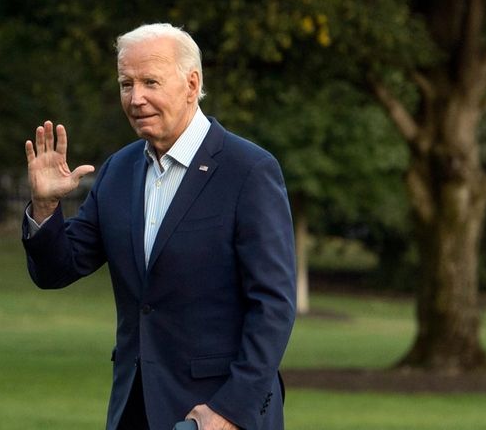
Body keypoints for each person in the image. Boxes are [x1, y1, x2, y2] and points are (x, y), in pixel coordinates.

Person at [22, 23, 296, 430]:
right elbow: (56, 270)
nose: (136, 98)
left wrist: (231, 409)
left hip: (216, 414)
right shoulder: (118, 170)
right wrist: (45, 206)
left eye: (150, 81)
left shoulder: (249, 170)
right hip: (134, 408)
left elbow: (273, 306)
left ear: (192, 83)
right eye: (125, 83)